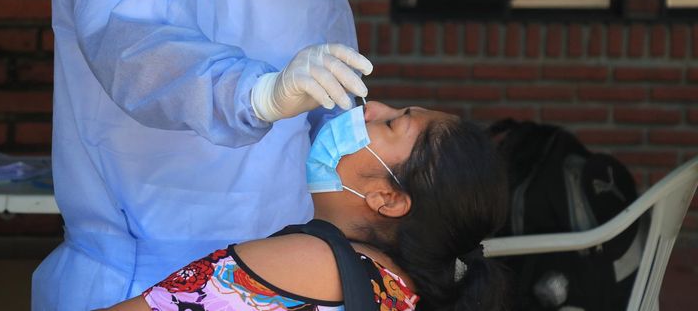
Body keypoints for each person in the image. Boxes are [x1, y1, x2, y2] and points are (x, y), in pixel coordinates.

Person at [32, 0, 376, 309]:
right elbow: (140, 55)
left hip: (278, 272)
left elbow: (335, 110)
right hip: (141, 277)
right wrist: (259, 95)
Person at [99, 103, 510, 311]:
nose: (369, 109)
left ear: (388, 198)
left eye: (390, 123)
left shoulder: (312, 263)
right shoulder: (397, 287)